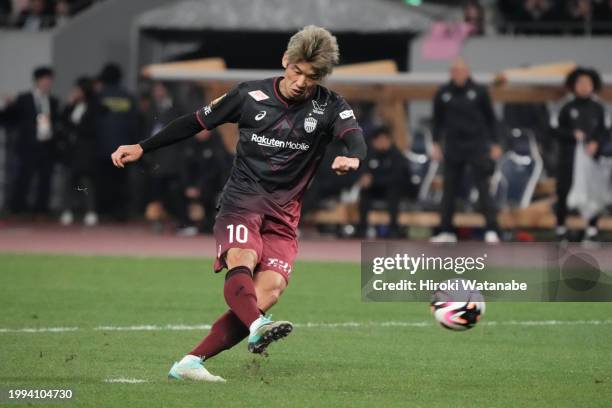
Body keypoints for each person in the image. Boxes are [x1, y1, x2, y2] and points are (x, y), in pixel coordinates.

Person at [110, 25, 366, 382]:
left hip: (284, 216)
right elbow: (195, 122)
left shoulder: (330, 105)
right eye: (296, 71)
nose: (301, 82)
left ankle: (190, 362)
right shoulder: (250, 95)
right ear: (285, 61)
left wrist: (352, 157)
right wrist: (143, 146)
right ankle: (258, 325)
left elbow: (354, 136)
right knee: (242, 258)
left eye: (311, 76)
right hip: (242, 200)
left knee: (270, 290)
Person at [429, 58, 502, 243]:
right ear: (451, 73)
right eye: (454, 71)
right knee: (449, 190)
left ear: (467, 72)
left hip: (476, 146)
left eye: (461, 70)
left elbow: (491, 119)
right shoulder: (443, 93)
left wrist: (495, 143)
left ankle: (492, 230)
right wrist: (436, 143)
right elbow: (437, 122)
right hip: (453, 147)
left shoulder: (479, 92)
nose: (458, 74)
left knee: (483, 188)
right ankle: (446, 231)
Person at [550, 67, 610, 243]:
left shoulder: (599, 107)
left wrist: (595, 143)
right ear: (573, 85)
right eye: (580, 83)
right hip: (568, 159)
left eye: (588, 83)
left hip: (592, 160)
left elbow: (605, 130)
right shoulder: (565, 106)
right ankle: (561, 229)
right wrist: (572, 135)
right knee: (564, 193)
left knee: (594, 193)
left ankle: (592, 230)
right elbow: (553, 129)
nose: (584, 86)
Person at [0, 66, 60, 216]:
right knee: (23, 177)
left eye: (50, 80)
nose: (48, 83)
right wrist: (8, 106)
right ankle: (17, 208)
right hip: (28, 146)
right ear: (37, 81)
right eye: (45, 80)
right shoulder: (24, 98)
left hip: (46, 145)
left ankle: (41, 209)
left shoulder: (53, 101)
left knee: (45, 179)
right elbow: (10, 117)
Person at [95, 63, 138, 221]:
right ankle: (120, 213)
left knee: (103, 181)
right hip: (123, 148)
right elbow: (134, 123)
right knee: (121, 182)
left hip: (102, 148)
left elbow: (93, 122)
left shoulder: (99, 96)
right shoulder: (128, 96)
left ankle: (103, 212)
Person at [58, 77, 100, 226]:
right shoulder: (72, 106)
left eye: (78, 90)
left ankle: (90, 211)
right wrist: (69, 105)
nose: (75, 93)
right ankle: (66, 211)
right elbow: (62, 120)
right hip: (71, 150)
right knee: (68, 179)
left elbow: (89, 129)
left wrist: (74, 125)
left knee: (86, 180)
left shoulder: (94, 106)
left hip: (86, 150)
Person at [356, 126, 412, 238]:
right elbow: (363, 171)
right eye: (377, 140)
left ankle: (394, 228)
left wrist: (374, 180)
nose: (380, 143)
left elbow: (398, 177)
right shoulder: (370, 154)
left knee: (393, 190)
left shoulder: (396, 155)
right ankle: (362, 228)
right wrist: (364, 178)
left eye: (383, 139)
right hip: (376, 189)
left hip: (393, 189)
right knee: (364, 191)